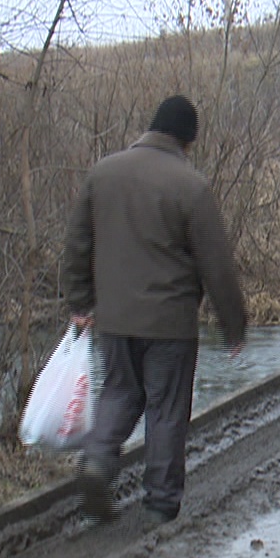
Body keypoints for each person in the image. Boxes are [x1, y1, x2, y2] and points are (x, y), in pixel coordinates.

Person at [62, 94, 248, 525]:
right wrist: (233, 326)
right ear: (187, 140)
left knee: (119, 393)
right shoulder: (191, 187)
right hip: (170, 324)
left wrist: (80, 301)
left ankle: (96, 459)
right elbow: (216, 266)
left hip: (114, 318)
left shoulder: (102, 174)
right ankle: (160, 503)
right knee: (165, 409)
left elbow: (77, 244)